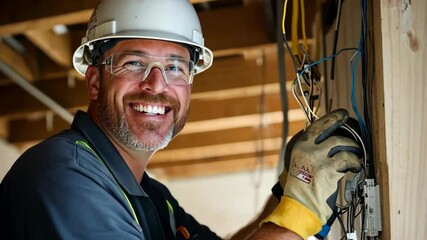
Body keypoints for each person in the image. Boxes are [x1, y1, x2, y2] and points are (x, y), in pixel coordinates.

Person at [0, 0, 362, 239]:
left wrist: (286, 193)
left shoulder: (152, 198)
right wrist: (296, 218)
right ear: (94, 80)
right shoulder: (64, 177)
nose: (156, 85)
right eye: (134, 63)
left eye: (175, 67)